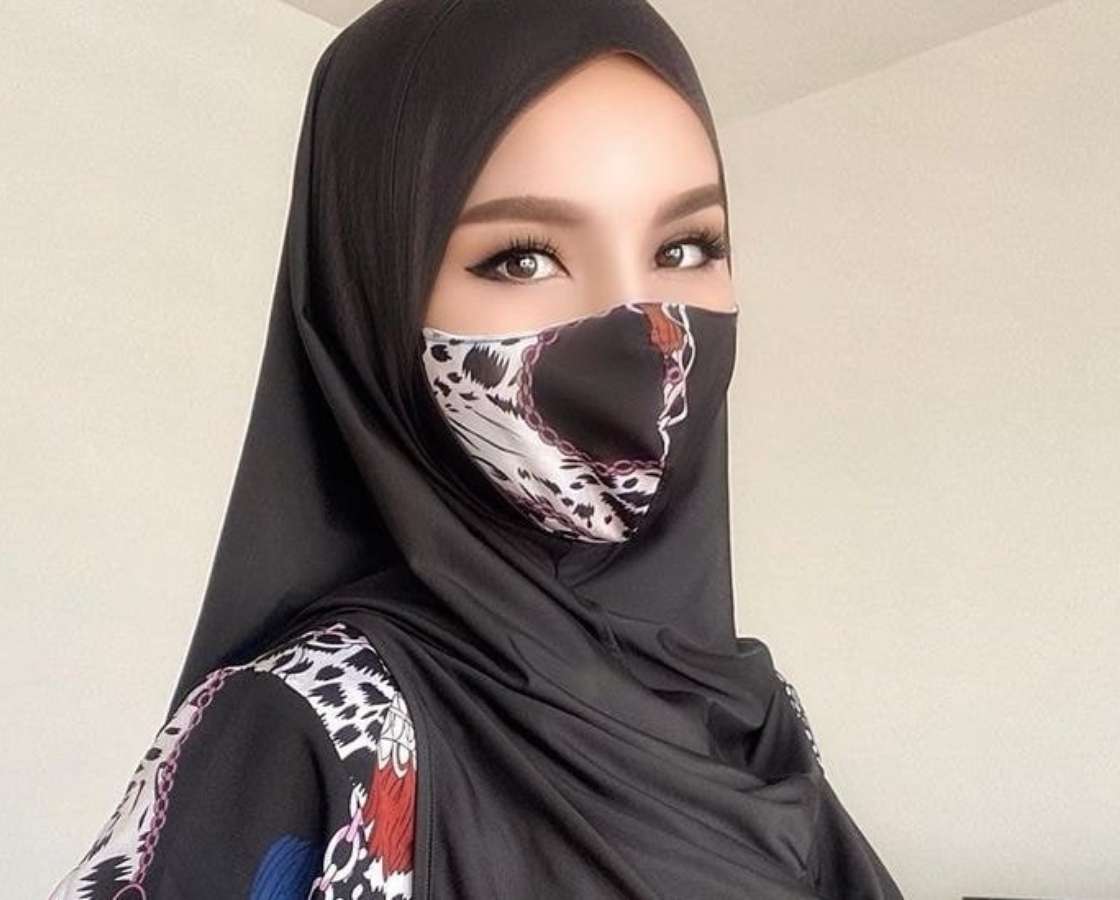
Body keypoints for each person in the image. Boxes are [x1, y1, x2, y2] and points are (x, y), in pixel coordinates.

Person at [50, 1, 906, 898]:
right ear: (373, 301)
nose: (645, 327)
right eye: (523, 259)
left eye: (685, 247)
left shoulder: (750, 712)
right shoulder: (318, 731)